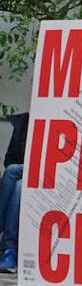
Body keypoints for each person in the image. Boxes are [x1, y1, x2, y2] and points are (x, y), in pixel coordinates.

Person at [0, 113, 27, 273]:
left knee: (12, 173)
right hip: (22, 175)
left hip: (48, 174)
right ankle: (8, 250)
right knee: (18, 185)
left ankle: (7, 248)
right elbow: (9, 158)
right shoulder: (23, 122)